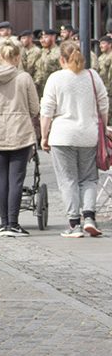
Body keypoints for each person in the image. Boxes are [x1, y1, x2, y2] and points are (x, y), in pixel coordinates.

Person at [41, 41, 109, 238]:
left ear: (62, 59)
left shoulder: (56, 78)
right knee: (89, 178)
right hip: (88, 135)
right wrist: (103, 128)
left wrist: (44, 136)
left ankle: (74, 224)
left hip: (62, 136)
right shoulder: (92, 76)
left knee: (68, 179)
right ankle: (89, 217)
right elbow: (103, 104)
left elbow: (47, 111)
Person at [0, 39, 40, 236]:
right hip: (19, 132)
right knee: (16, 179)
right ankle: (13, 223)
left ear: (0, 57)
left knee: (0, 178)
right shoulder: (24, 78)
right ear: (17, 57)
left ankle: (3, 223)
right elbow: (34, 108)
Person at [34, 29, 61, 96]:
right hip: (40, 88)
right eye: (41, 38)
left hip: (54, 88)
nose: (42, 40)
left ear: (53, 37)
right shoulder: (41, 52)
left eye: (45, 37)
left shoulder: (59, 52)